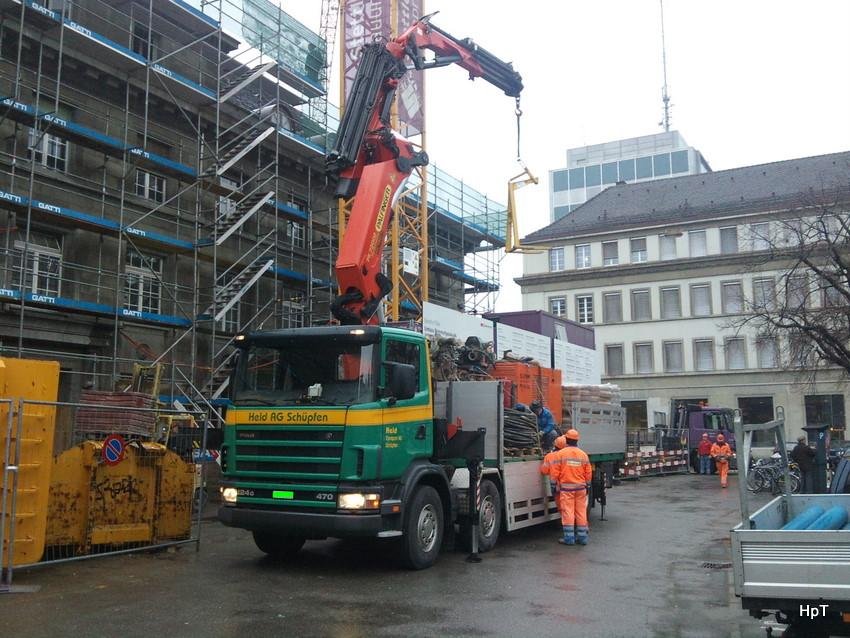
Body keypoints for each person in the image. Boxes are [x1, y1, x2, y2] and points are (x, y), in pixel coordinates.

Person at [551, 428, 592, 545]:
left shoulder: (560, 454)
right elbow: (588, 472)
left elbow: (555, 472)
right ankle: (582, 537)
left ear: (567, 440)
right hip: (581, 489)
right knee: (581, 512)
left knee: (568, 512)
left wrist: (553, 485)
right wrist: (587, 484)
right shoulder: (583, 455)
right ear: (577, 441)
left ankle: (569, 538)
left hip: (567, 489)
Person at [540, 435, 567, 511]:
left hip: (557, 487)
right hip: (569, 486)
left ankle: (567, 522)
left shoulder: (549, 456)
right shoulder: (569, 455)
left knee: (563, 509)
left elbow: (544, 471)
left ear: (555, 445)